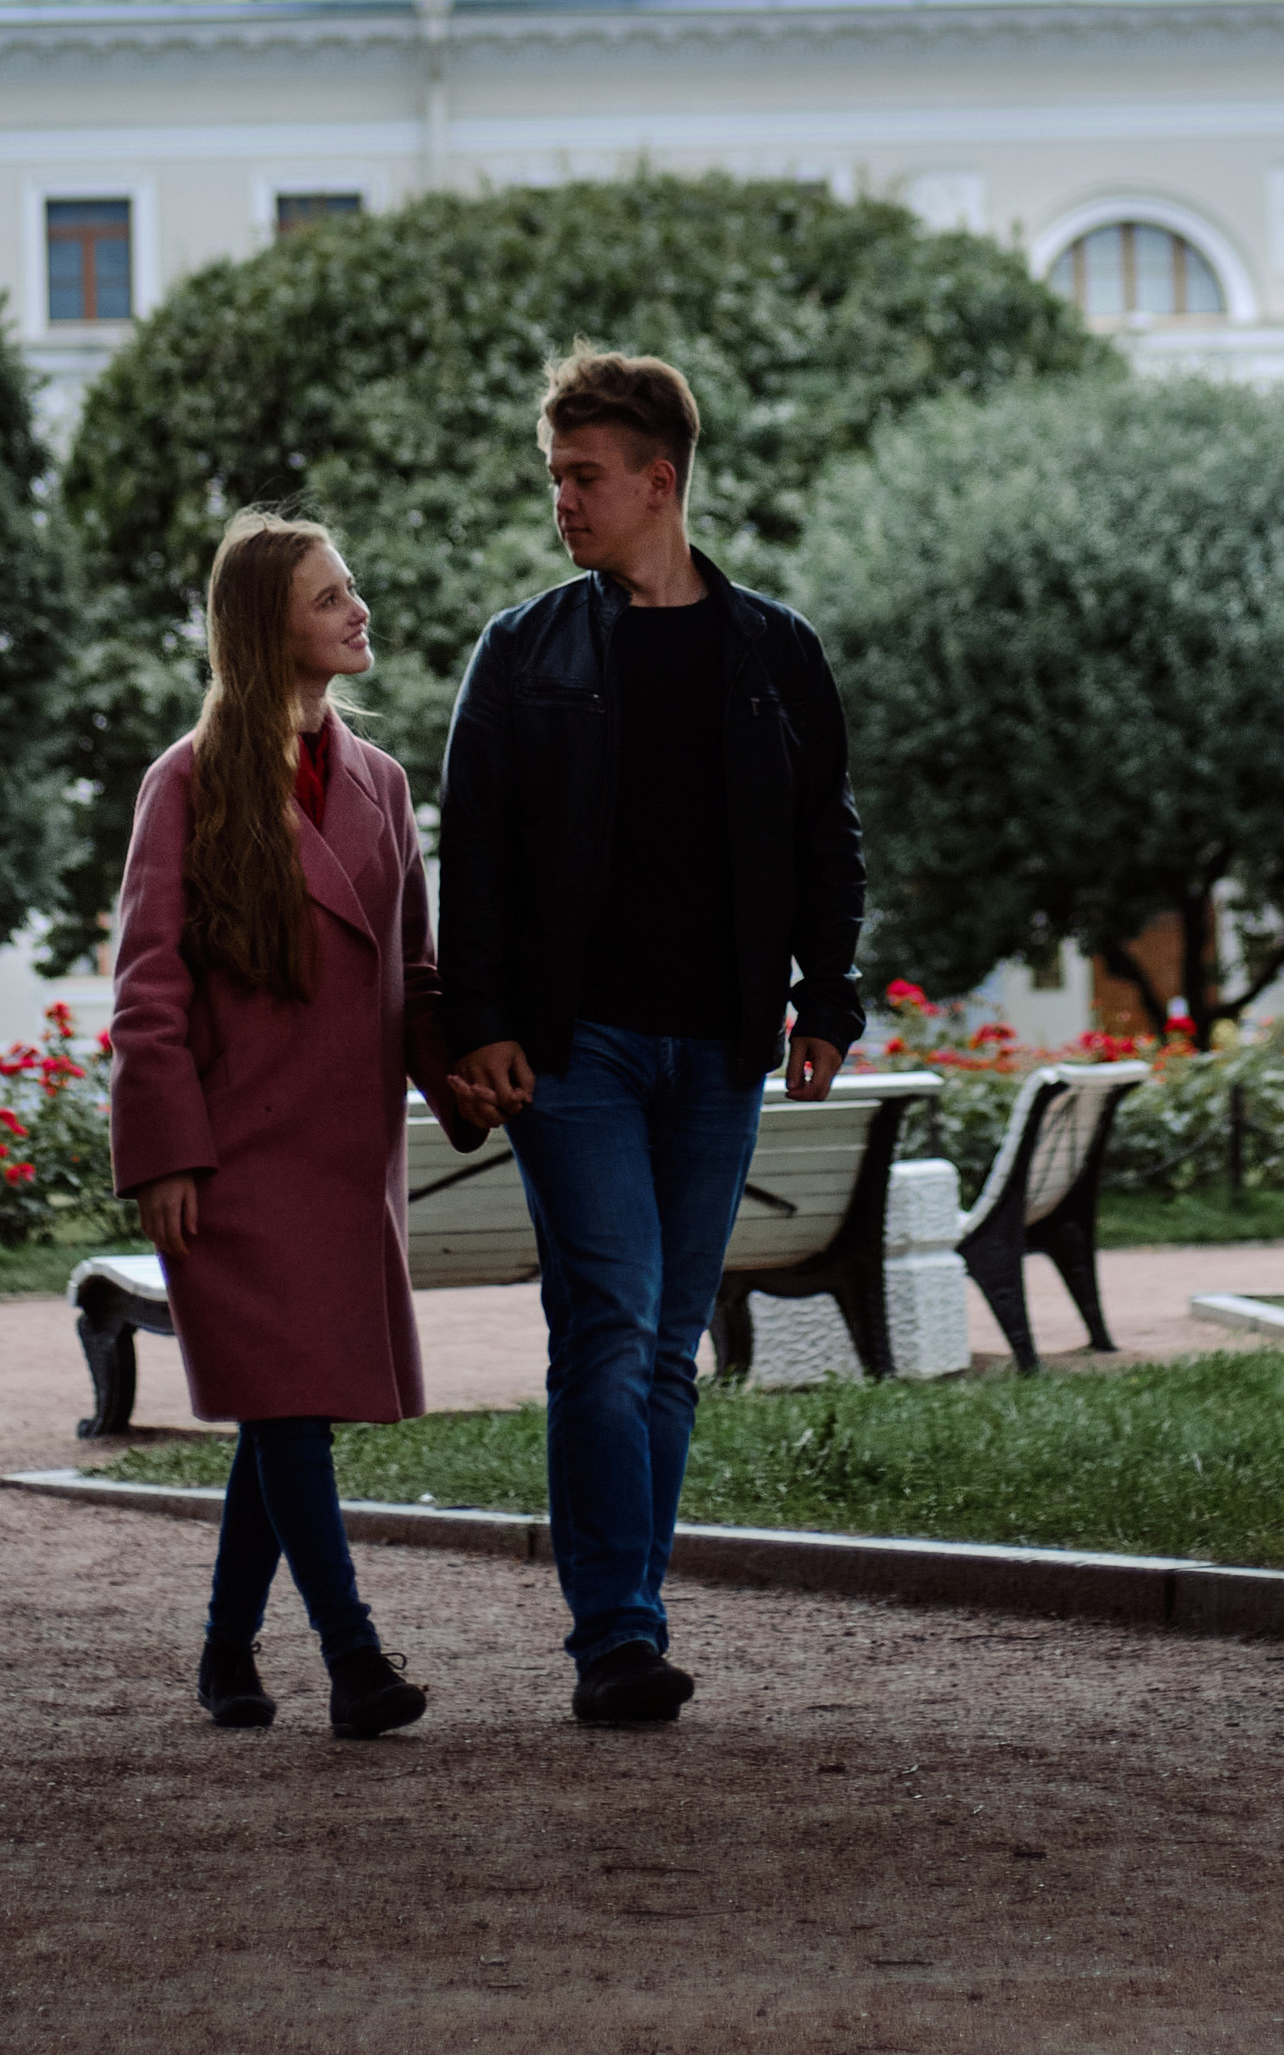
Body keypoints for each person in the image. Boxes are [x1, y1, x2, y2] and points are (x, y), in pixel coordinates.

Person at [439, 346, 865, 1724]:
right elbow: (480, 852)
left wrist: (828, 995)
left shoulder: (774, 652)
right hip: (579, 1053)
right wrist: (484, 1023)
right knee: (608, 1328)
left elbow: (824, 841)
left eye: (584, 477)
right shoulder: (524, 649)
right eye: (554, 477)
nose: (562, 501)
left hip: (720, 1049)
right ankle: (615, 1634)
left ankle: (633, 1611)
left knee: (670, 1341)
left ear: (659, 480)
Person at [109, 506, 488, 1739]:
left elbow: (415, 978)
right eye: (330, 597)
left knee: (288, 1411)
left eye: (351, 588)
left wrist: (467, 1079)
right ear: (266, 626)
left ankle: (226, 1653)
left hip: (346, 1156)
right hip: (230, 1164)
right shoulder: (184, 783)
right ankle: (355, 1660)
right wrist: (163, 1151)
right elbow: (147, 986)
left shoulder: (379, 782)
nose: (357, 609)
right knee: (286, 1408)